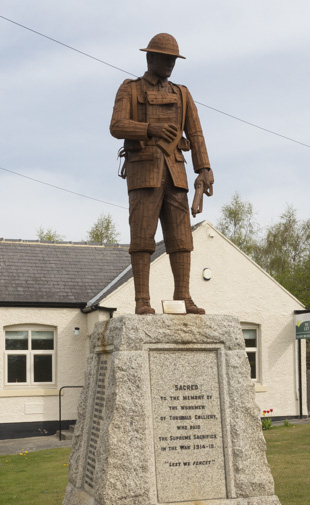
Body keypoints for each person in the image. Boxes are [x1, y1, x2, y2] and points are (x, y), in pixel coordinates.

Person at [110, 33, 214, 315]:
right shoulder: (130, 89)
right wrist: (149, 129)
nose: (170, 64)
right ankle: (142, 300)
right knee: (142, 237)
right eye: (165, 59)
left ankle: (183, 296)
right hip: (143, 171)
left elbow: (196, 133)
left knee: (182, 238)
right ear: (150, 57)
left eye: (173, 60)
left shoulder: (182, 93)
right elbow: (117, 125)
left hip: (176, 172)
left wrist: (204, 169)